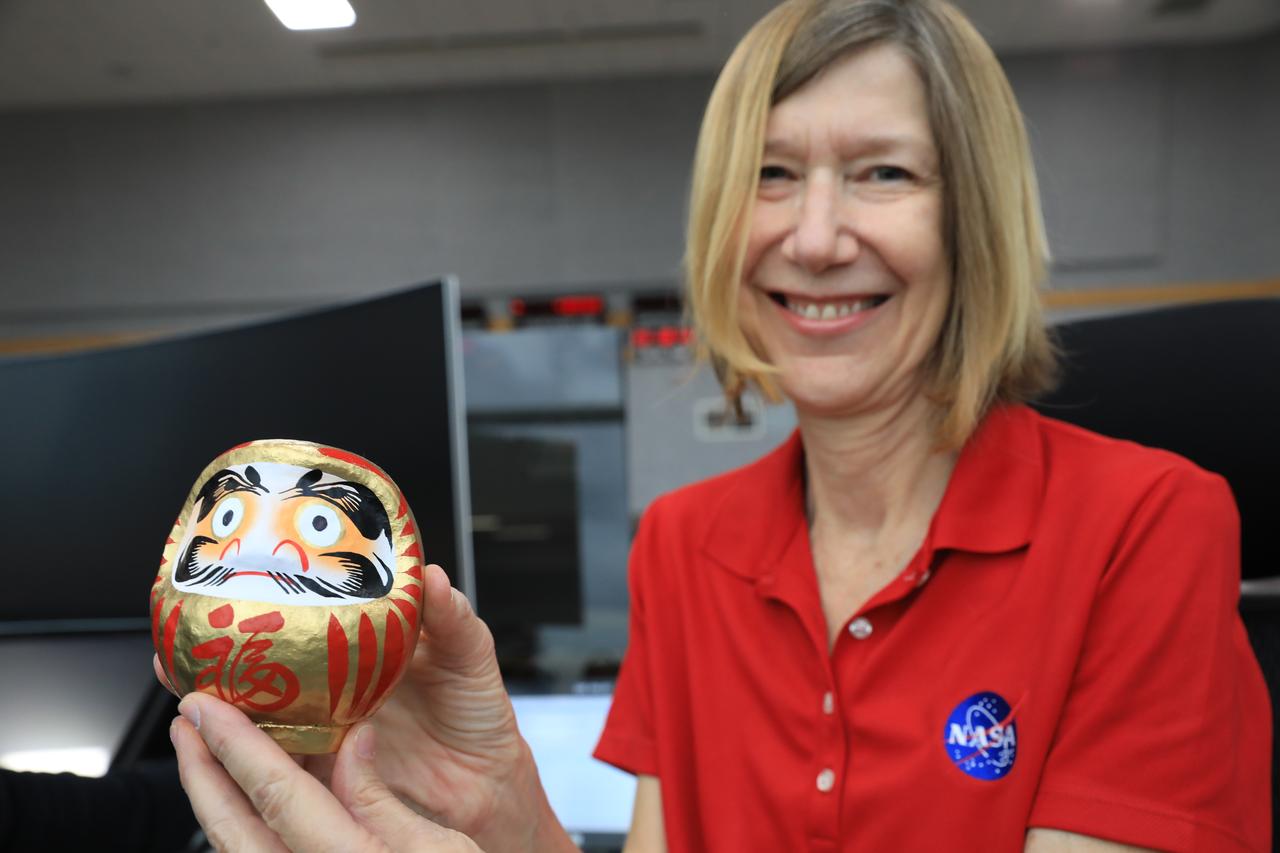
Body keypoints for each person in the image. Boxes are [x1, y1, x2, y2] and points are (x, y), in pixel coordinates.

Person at [164, 0, 1271, 850]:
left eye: (881, 173)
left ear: (973, 215)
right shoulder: (684, 543)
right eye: (770, 175)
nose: (817, 235)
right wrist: (504, 811)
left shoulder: (1147, 524)